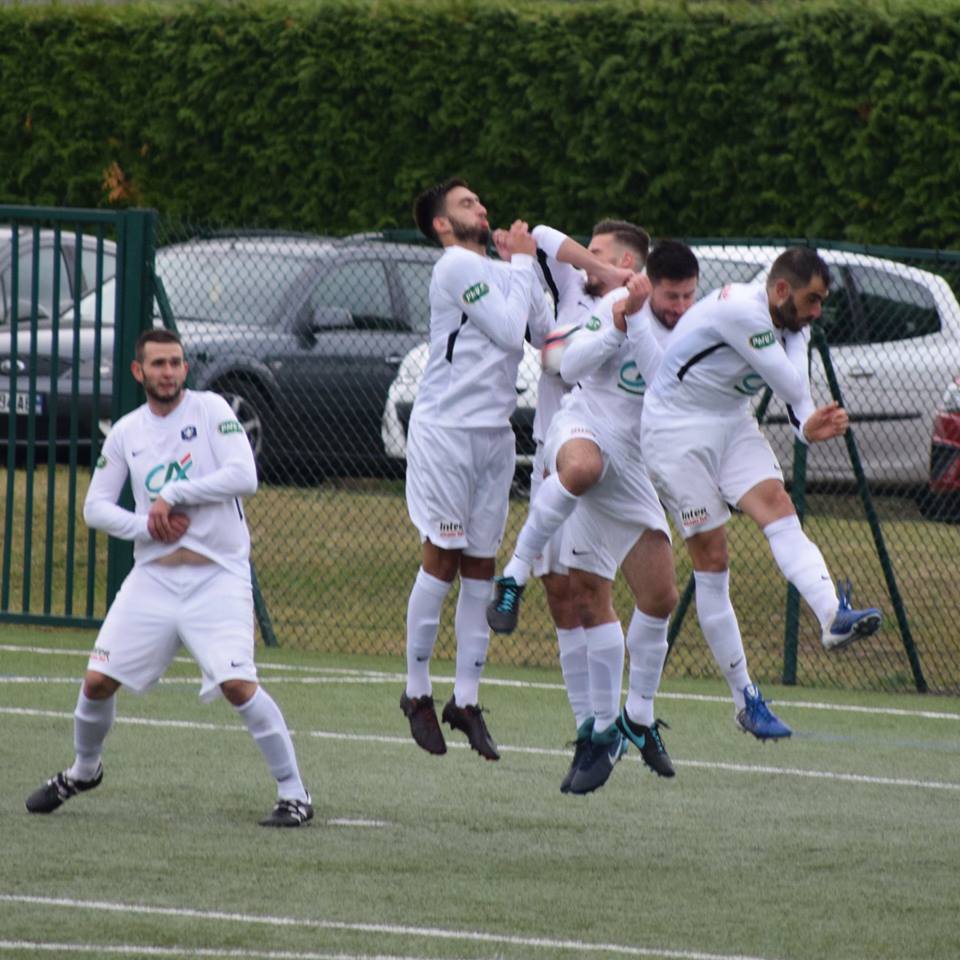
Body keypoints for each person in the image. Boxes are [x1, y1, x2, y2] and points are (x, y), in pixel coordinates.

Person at [25, 329, 313, 827]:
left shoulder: (212, 411)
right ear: (138, 372)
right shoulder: (126, 432)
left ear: (185, 368)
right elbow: (95, 507)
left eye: (176, 362)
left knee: (238, 685)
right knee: (96, 682)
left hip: (217, 579)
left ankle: (294, 794)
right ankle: (84, 770)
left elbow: (245, 476)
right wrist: (146, 526)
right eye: (158, 364)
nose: (168, 372)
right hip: (153, 580)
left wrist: (174, 493)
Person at [641, 247, 882, 740]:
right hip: (675, 431)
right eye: (811, 300)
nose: (816, 312)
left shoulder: (791, 322)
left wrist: (806, 427)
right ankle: (744, 699)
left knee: (778, 504)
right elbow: (791, 382)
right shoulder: (742, 310)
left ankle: (832, 616)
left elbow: (798, 402)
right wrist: (802, 391)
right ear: (781, 290)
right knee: (713, 559)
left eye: (820, 302)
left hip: (731, 421)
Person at [489, 240, 700, 795]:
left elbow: (663, 382)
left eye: (687, 296)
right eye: (671, 296)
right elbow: (569, 366)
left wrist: (636, 323)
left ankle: (637, 716)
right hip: (582, 427)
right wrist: (617, 323)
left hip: (631, 465)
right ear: (649, 282)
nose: (679, 306)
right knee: (582, 485)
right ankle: (513, 575)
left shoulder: (691, 332)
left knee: (660, 597)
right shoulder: (611, 304)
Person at [400, 177, 551, 760]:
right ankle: (416, 692)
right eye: (467, 204)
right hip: (446, 431)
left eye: (480, 200)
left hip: (493, 433)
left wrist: (523, 266)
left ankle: (465, 701)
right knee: (442, 559)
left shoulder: (499, 268)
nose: (482, 207)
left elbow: (540, 331)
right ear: (442, 224)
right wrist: (521, 265)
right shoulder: (455, 266)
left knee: (481, 567)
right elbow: (509, 330)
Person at [491, 220, 639, 784]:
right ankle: (587, 729)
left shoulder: (636, 304)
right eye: (586, 254)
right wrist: (585, 265)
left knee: (590, 592)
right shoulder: (577, 285)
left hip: (602, 461)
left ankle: (606, 725)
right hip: (553, 450)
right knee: (558, 594)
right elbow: (544, 235)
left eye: (598, 253)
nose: (584, 260)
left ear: (628, 262)